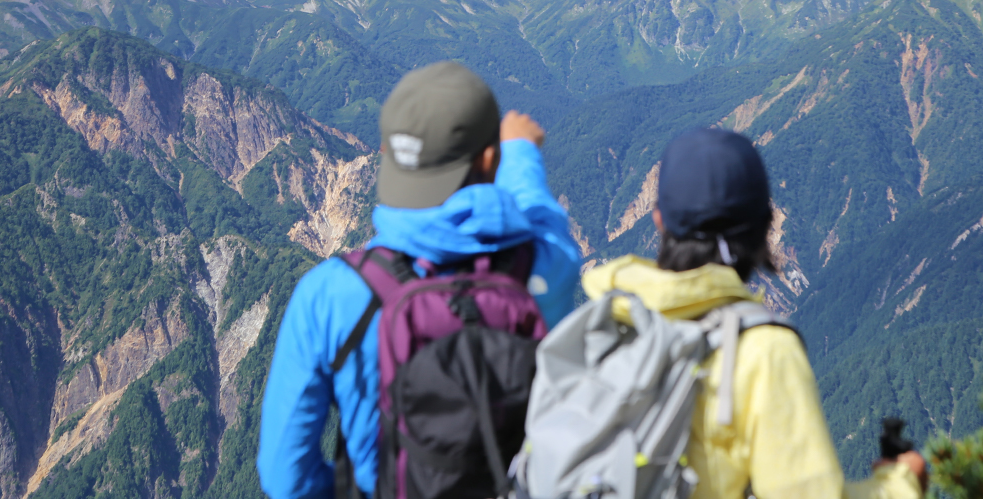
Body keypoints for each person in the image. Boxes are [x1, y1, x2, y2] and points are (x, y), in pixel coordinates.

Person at [257, 61, 582, 499]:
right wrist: (520, 152)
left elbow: (285, 478)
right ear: (490, 160)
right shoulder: (544, 267)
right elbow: (542, 219)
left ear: (388, 158)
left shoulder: (332, 294)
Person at [579, 127, 925, 499]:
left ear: (659, 219)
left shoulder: (594, 324)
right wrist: (902, 483)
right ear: (766, 225)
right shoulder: (760, 351)